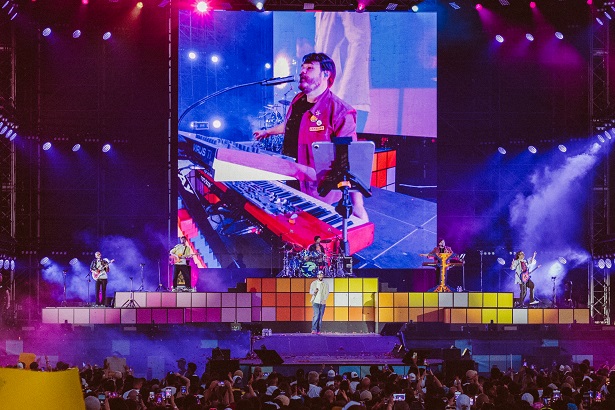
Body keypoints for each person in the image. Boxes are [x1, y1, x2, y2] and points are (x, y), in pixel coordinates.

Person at [254, 52, 368, 221]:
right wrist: (267, 131)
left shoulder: (341, 112)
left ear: (326, 74)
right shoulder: (298, 100)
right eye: (302, 67)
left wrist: (357, 204)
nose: (302, 71)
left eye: (309, 68)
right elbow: (291, 126)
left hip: (319, 193)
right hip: (291, 180)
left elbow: (350, 160)